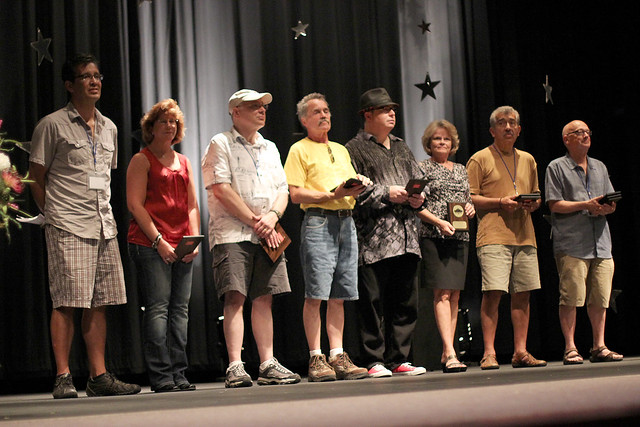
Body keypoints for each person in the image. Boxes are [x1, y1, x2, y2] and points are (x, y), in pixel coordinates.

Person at [28, 54, 141, 398]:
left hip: (103, 225)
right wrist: (52, 215)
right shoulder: (52, 125)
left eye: (98, 76)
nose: (94, 82)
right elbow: (36, 177)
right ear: (69, 85)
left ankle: (98, 376)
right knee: (66, 301)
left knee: (98, 302)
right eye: (86, 77)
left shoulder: (110, 128)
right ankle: (63, 376)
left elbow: (105, 176)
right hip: (68, 223)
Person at [201, 89, 301, 388]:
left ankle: (267, 363)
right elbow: (220, 188)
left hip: (267, 233)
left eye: (263, 106)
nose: (262, 110)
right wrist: (256, 221)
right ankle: (235, 365)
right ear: (236, 112)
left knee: (264, 297)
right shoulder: (220, 143)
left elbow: (283, 190)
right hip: (233, 232)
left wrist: (272, 217)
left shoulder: (270, 147)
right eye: (254, 106)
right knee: (235, 296)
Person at [283, 93, 369, 382]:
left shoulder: (341, 149)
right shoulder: (299, 149)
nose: (324, 115)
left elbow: (346, 185)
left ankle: (337, 355)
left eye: (326, 110)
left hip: (346, 221)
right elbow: (295, 194)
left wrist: (357, 186)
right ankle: (316, 357)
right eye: (316, 112)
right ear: (304, 120)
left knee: (339, 295)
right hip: (319, 221)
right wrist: (331, 195)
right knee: (316, 294)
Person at [345, 88, 427, 377]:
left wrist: (419, 198)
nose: (392, 113)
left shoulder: (402, 147)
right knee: (372, 302)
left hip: (407, 237)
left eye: (393, 109)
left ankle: (399, 358)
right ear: (368, 114)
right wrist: (386, 193)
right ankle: (373, 360)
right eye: (384, 109)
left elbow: (419, 181)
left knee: (405, 301)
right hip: (374, 239)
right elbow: (352, 191)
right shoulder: (353, 149)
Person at [127, 99, 201, 392]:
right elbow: (135, 205)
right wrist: (158, 241)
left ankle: (179, 373)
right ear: (152, 127)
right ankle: (161, 376)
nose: (169, 126)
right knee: (158, 308)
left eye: (174, 122)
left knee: (180, 310)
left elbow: (192, 205)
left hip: (181, 244)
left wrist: (194, 241)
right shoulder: (141, 160)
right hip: (150, 243)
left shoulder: (184, 161)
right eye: (163, 122)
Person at [466, 105, 546, 370]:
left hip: (525, 236)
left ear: (519, 129)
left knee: (522, 294)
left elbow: (536, 194)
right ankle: (489, 352)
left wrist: (533, 204)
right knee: (493, 293)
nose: (508, 127)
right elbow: (469, 198)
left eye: (512, 123)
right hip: (493, 236)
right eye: (502, 123)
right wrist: (500, 202)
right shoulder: (479, 159)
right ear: (492, 130)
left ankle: (520, 351)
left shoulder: (528, 159)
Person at [545, 120, 622, 365]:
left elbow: (611, 200)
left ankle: (599, 346)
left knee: (600, 297)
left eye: (588, 132)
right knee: (571, 297)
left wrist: (608, 207)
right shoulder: (556, 167)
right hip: (572, 243)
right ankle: (570, 347)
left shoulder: (599, 166)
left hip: (601, 241)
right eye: (579, 132)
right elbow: (554, 204)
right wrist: (585, 205)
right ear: (566, 139)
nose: (585, 135)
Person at [417, 120, 475, 373]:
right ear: (429, 144)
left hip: (460, 236)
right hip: (434, 235)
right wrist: (439, 222)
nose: (442, 142)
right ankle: (451, 352)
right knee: (441, 294)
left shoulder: (461, 169)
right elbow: (415, 205)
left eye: (446, 139)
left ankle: (447, 351)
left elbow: (467, 199)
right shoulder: (421, 168)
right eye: (437, 139)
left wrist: (470, 208)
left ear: (453, 144)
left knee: (454, 295)